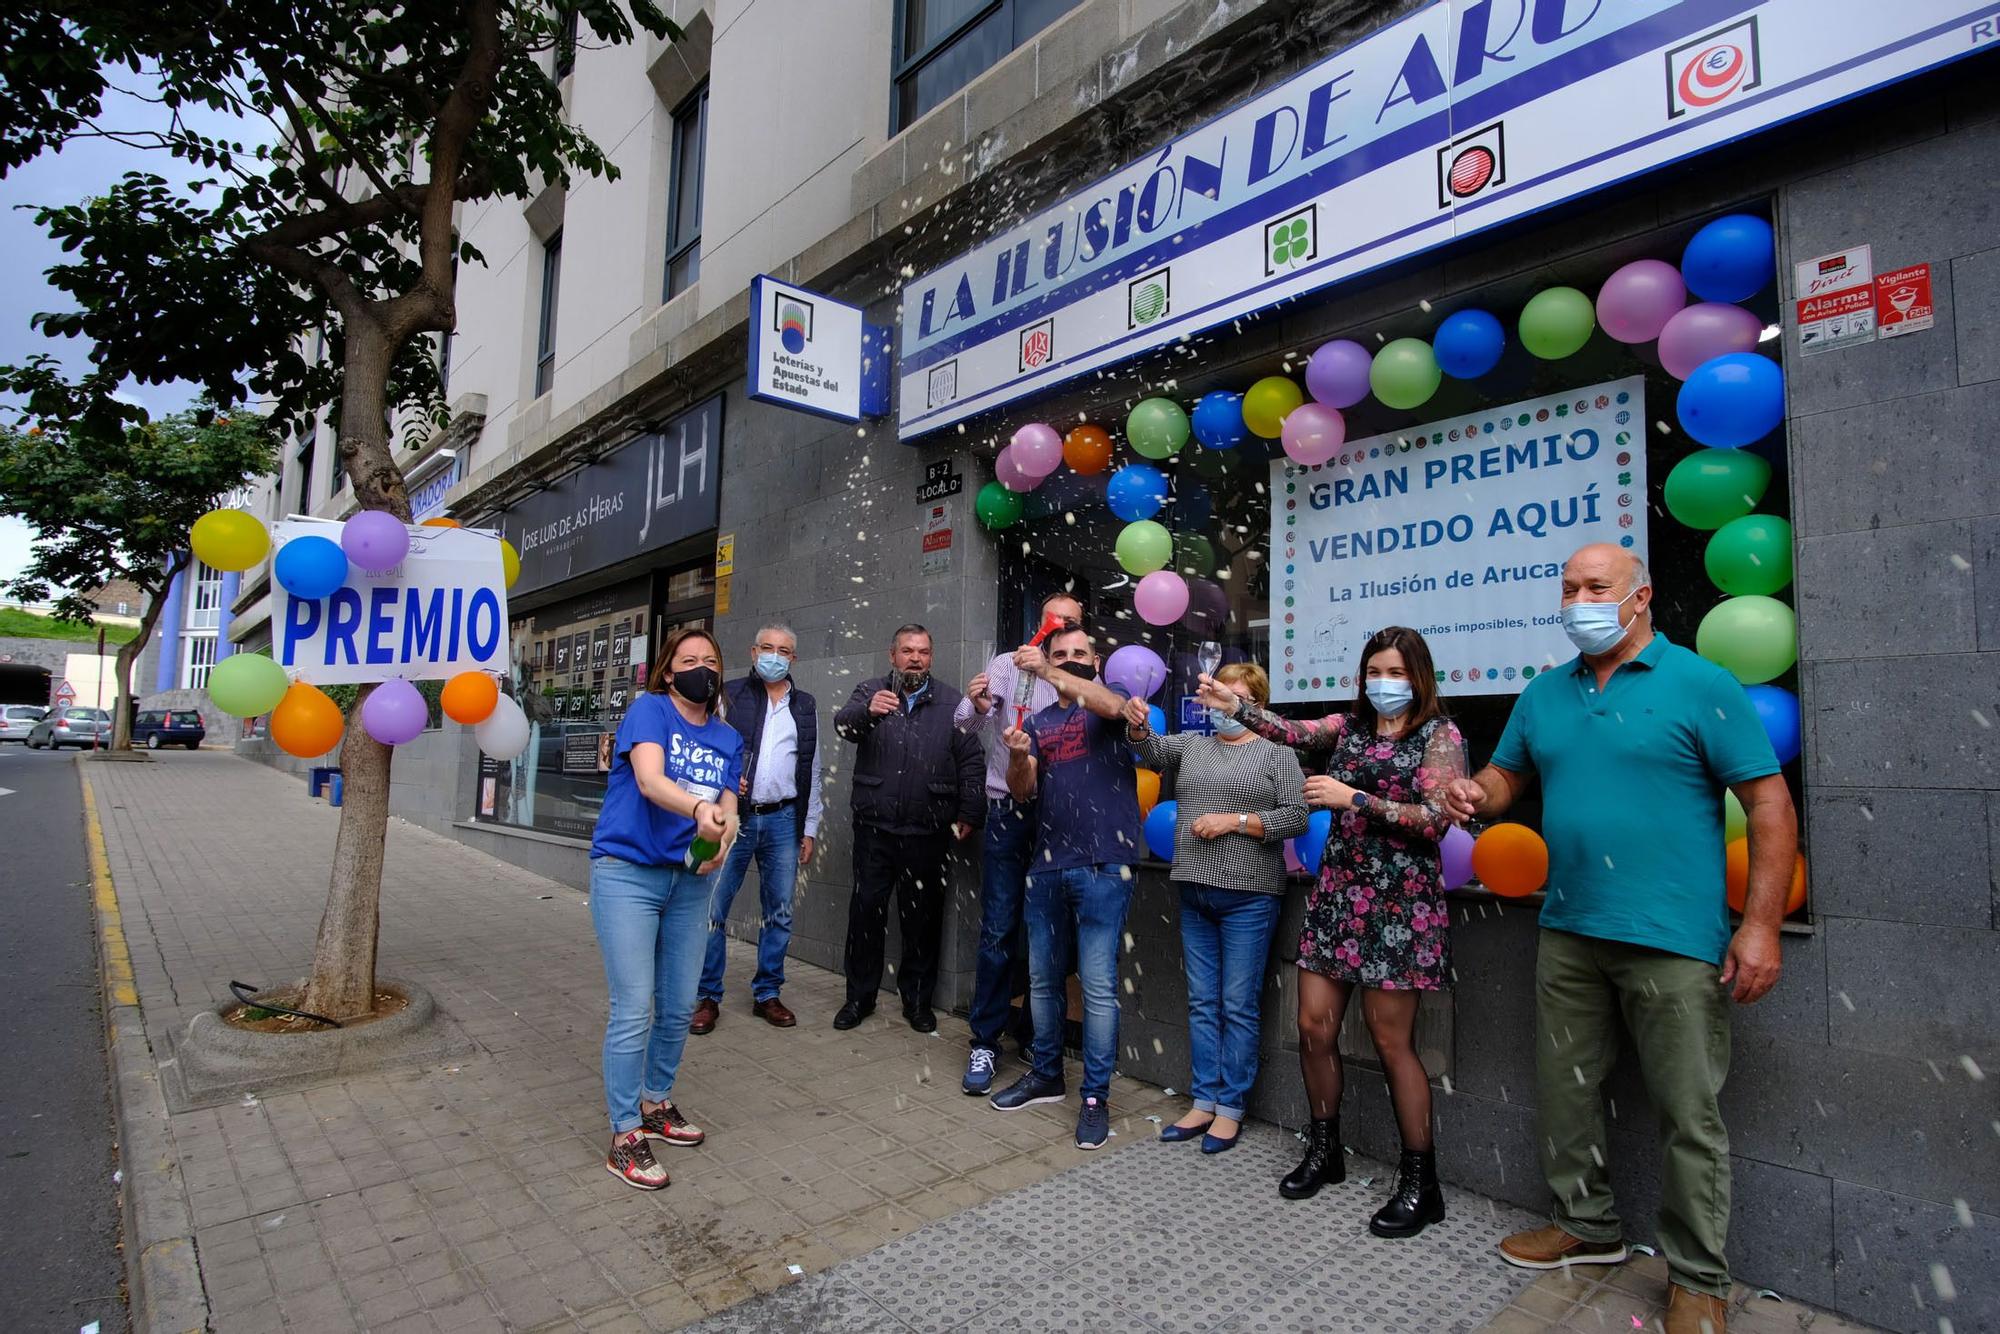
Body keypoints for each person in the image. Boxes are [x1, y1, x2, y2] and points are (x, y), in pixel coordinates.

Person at [1441, 544, 1794, 1334]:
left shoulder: (1701, 684)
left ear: (1640, 598)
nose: (1578, 602)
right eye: (1568, 589)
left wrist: (1761, 925)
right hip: (1568, 927)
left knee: (1687, 1112)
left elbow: (1770, 808)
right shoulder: (1544, 693)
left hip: (1673, 936)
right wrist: (1479, 792)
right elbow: (1507, 779)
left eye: (1596, 588)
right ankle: (1586, 1227)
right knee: (1565, 1090)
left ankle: (1699, 1277)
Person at [1203, 625, 1467, 1236]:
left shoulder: (1439, 735)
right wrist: (1237, 706)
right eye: (1376, 671)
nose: (1385, 683)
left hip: (1401, 907)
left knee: (1391, 1042)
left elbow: (1433, 822)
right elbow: (1292, 733)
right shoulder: (1347, 728)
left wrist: (1356, 799)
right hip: (1339, 898)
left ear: (1420, 677)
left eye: (1398, 673)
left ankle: (1420, 1182)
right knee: (1312, 1027)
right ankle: (1326, 1153)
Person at [1126, 661, 1307, 1154]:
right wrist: (1138, 723)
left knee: (1237, 1006)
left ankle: (1230, 1108)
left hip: (1250, 896)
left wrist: (1235, 820)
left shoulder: (1277, 753)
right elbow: (1150, 749)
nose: (1223, 704)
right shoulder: (1192, 744)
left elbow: (1294, 817)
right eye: (1217, 695)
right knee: (1203, 1003)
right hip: (1194, 890)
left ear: (1258, 706)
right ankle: (1203, 1100)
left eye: (1237, 697)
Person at [589, 627, 742, 1190]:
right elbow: (651, 782)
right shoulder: (650, 711)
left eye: (711, 659)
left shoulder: (727, 737)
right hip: (627, 873)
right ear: (669, 671)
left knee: (678, 1006)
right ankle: (624, 1135)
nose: (701, 667)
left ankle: (656, 1104)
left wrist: (719, 845)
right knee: (633, 1008)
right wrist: (701, 806)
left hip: (689, 883)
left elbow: (731, 812)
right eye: (689, 660)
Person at [989, 627, 1142, 1151]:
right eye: (1060, 655)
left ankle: (1096, 1097)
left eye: (1080, 653)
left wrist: (1044, 669)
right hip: (1048, 864)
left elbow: (1110, 704)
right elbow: (1024, 788)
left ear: (1096, 659)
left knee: (1097, 988)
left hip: (1105, 863)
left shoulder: (1110, 704)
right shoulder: (1039, 719)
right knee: (1042, 981)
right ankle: (1047, 1074)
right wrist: (1015, 754)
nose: (1071, 661)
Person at [953, 590, 1085, 1095]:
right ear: (1040, 619)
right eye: (1054, 618)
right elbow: (965, 722)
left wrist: (1060, 675)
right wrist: (980, 702)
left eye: (1070, 622)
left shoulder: (1081, 673)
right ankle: (985, 1040)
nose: (1060, 629)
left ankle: (1035, 1035)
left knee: (1049, 932)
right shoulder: (1008, 661)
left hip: (1060, 813)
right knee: (999, 927)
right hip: (1008, 810)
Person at [832, 623, 983, 1032]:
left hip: (928, 829)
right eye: (907, 651)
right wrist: (868, 713)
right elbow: (843, 727)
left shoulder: (954, 702)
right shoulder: (870, 691)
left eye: (923, 652)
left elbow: (970, 759)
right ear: (892, 655)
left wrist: (969, 811)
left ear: (931, 657)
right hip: (874, 828)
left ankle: (917, 1002)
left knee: (922, 919)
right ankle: (858, 999)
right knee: (865, 914)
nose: (915, 658)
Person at [691, 622, 825, 1034]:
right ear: (753, 653)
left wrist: (811, 825)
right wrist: (727, 783)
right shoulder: (728, 695)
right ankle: (707, 996)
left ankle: (767, 992)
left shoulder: (805, 705)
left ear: (793, 659)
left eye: (783, 650)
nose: (774, 655)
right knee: (712, 909)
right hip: (735, 817)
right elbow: (703, 752)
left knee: (779, 912)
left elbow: (812, 768)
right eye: (766, 647)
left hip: (784, 819)